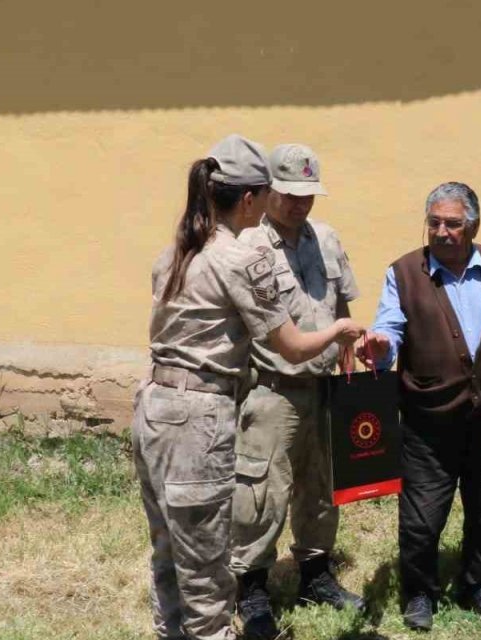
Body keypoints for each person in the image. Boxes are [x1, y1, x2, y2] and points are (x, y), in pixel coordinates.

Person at [133, 134, 363, 640]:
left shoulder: (176, 249)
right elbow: (293, 346)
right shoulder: (241, 257)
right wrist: (340, 332)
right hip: (198, 414)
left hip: (154, 406)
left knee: (169, 555)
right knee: (208, 568)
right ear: (251, 198)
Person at [357, 182, 481, 631]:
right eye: (434, 222)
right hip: (428, 421)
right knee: (422, 518)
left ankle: (477, 585)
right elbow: (389, 331)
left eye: (452, 223)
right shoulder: (404, 272)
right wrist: (381, 348)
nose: (441, 232)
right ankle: (420, 592)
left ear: (473, 225)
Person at [229, 144, 364, 640]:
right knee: (262, 491)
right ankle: (252, 587)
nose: (300, 204)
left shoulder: (326, 239)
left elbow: (342, 300)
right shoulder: (249, 247)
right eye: (289, 195)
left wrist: (357, 343)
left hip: (327, 386)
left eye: (308, 195)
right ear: (268, 192)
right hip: (274, 388)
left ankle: (314, 574)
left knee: (322, 487)